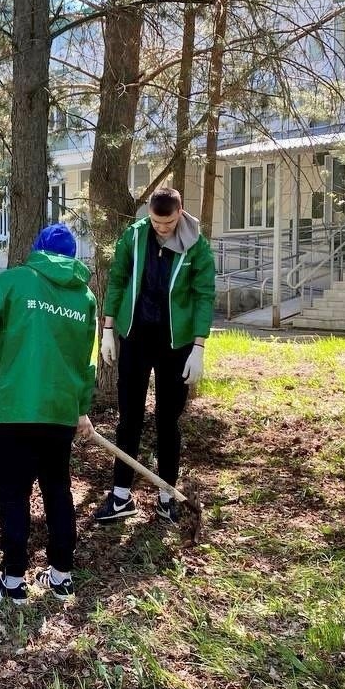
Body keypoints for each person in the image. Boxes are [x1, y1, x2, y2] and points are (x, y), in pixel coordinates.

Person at [0, 223, 96, 605]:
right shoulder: (84, 296)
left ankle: (13, 582)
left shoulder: (14, 281)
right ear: (71, 257)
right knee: (58, 492)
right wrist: (81, 408)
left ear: (37, 249)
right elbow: (87, 363)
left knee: (14, 496)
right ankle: (61, 577)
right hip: (59, 412)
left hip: (16, 410)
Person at [95, 187, 216, 526]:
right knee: (129, 417)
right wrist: (107, 328)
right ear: (149, 215)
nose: (163, 229)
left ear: (180, 214)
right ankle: (121, 496)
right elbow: (117, 279)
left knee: (167, 420)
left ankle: (167, 497)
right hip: (136, 335)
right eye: (157, 222)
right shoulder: (134, 236)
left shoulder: (197, 245)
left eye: (169, 222)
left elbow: (205, 294)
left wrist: (199, 347)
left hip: (175, 343)